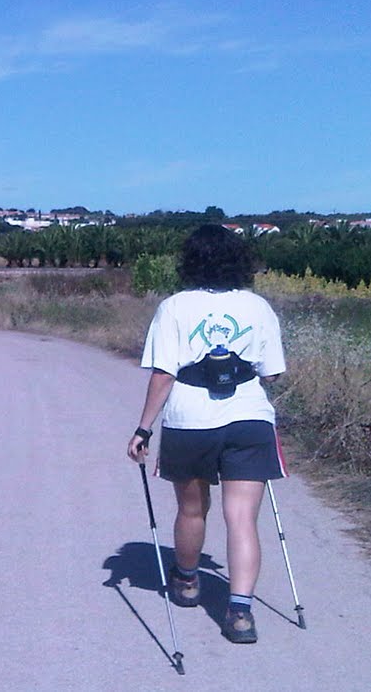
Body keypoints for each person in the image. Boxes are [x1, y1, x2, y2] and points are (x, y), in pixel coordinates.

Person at [126, 224, 287, 644]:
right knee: (242, 518)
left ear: (190, 261)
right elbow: (271, 373)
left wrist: (143, 427)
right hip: (249, 419)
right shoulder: (259, 307)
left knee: (192, 510)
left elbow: (165, 373)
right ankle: (239, 613)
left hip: (190, 421)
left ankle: (187, 580)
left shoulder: (174, 307)